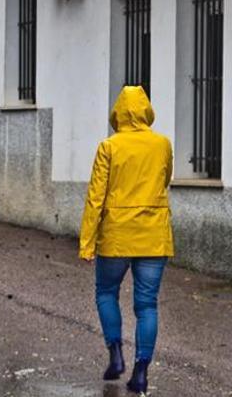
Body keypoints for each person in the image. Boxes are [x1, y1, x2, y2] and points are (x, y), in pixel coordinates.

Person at [78, 86, 174, 395]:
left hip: (117, 235)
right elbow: (166, 178)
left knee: (106, 292)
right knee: (147, 305)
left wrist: (87, 243)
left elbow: (96, 197)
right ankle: (141, 372)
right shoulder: (162, 145)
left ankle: (116, 353)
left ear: (118, 111)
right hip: (153, 235)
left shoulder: (109, 146)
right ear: (146, 110)